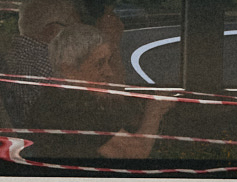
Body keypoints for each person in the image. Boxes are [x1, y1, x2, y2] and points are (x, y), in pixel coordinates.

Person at [33, 23, 170, 161]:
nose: (109, 72)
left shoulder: (56, 98)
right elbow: (135, 153)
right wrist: (154, 111)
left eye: (108, 62)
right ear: (69, 70)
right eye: (99, 64)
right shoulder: (73, 109)